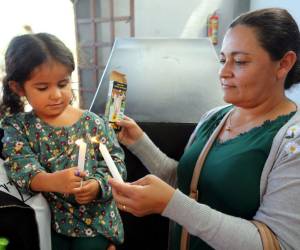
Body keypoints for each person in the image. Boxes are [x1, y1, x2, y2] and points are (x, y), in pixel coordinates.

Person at [109, 8, 300, 250]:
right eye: (223, 60)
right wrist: (139, 142)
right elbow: (187, 184)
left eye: (239, 61)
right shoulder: (214, 118)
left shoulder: (292, 141)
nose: (223, 72)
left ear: (284, 64)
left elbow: (278, 244)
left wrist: (171, 205)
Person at [0, 33, 126, 250]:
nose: (56, 95)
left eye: (63, 83)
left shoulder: (93, 122)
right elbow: (20, 165)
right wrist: (51, 181)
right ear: (19, 88)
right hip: (50, 224)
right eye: (43, 87)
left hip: (96, 224)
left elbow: (116, 165)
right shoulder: (18, 127)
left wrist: (96, 185)